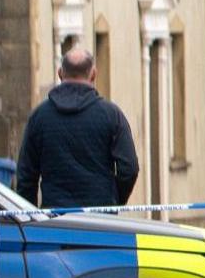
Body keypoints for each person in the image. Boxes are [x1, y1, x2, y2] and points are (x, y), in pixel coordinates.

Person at [14, 44, 139, 211]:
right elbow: (129, 169)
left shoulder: (39, 117)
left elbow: (26, 177)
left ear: (60, 74)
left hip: (55, 220)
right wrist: (113, 200)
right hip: (100, 220)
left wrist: (31, 219)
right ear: (93, 74)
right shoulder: (111, 116)